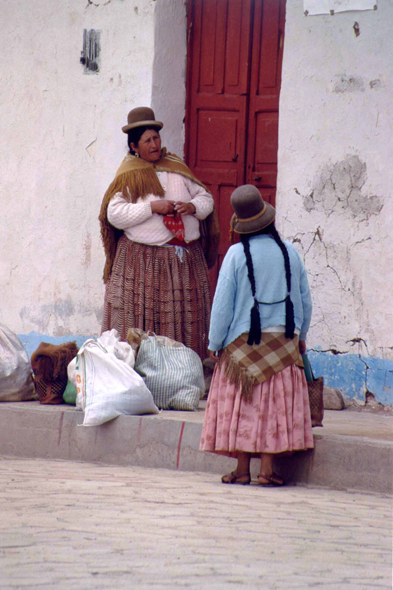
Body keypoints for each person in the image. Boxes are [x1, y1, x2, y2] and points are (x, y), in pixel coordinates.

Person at [200, 185, 314, 486]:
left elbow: (222, 304)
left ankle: (241, 470)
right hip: (283, 342)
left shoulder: (236, 254)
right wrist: (300, 336)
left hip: (242, 345)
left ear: (241, 225)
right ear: (268, 218)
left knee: (245, 405)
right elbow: (304, 299)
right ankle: (266, 472)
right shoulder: (290, 253)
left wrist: (214, 343)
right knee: (271, 407)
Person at [99, 107, 218, 359]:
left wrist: (192, 207)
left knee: (183, 321)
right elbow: (114, 214)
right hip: (142, 263)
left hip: (182, 262)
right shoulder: (128, 176)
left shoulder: (176, 167)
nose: (154, 144)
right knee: (142, 320)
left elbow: (206, 198)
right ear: (134, 146)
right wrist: (152, 207)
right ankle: (141, 372)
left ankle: (181, 371)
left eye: (156, 138)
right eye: (147, 140)